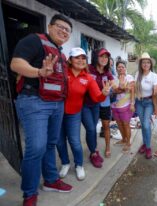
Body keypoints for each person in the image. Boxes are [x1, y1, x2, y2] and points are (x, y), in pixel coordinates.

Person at [10, 14, 73, 205]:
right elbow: (16, 64)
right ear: (50, 26)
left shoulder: (61, 54)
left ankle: (51, 180)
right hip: (34, 101)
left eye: (67, 30)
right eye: (60, 27)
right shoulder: (34, 41)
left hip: (56, 104)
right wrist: (39, 72)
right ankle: (29, 193)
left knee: (50, 144)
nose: (64, 31)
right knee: (36, 147)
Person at [56, 48, 110, 180]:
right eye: (77, 57)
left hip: (74, 113)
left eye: (83, 58)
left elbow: (97, 97)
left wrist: (103, 94)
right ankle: (65, 163)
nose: (80, 60)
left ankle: (79, 165)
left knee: (74, 141)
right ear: (70, 60)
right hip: (56, 113)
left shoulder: (87, 78)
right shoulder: (61, 73)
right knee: (59, 141)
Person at [82, 48, 114, 161]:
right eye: (101, 56)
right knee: (91, 128)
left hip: (97, 104)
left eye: (106, 57)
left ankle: (94, 149)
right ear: (96, 57)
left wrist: (116, 88)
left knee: (96, 127)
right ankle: (93, 152)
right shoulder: (88, 69)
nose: (104, 59)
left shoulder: (108, 73)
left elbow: (113, 86)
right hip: (85, 103)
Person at [135, 52, 157, 159]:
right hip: (139, 102)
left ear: (150, 64)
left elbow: (156, 89)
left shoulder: (154, 76)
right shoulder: (137, 74)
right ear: (141, 64)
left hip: (149, 102)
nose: (145, 64)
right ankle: (145, 144)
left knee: (146, 125)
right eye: (143, 62)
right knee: (143, 125)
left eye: (147, 62)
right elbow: (134, 88)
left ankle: (148, 147)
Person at [111, 60, 135, 151]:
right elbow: (114, 91)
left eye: (122, 67)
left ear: (125, 68)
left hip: (126, 105)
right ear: (116, 68)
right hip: (114, 105)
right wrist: (124, 88)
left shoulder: (129, 77)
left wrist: (132, 104)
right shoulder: (113, 78)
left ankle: (128, 142)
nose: (121, 68)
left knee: (126, 124)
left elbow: (132, 91)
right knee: (119, 124)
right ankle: (123, 139)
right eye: (119, 67)